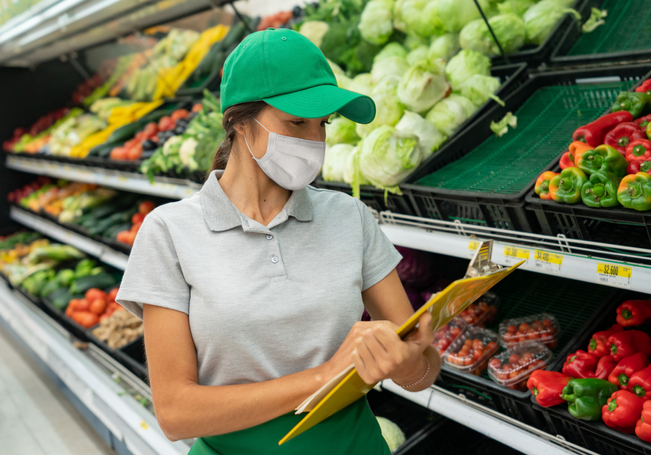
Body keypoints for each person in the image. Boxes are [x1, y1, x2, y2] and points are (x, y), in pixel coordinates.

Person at [116, 28, 440, 455]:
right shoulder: (169, 233)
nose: (315, 142)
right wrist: (325, 377)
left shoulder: (350, 218)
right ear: (238, 123)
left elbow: (418, 374)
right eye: (296, 122)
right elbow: (176, 414)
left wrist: (413, 362)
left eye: (323, 124)